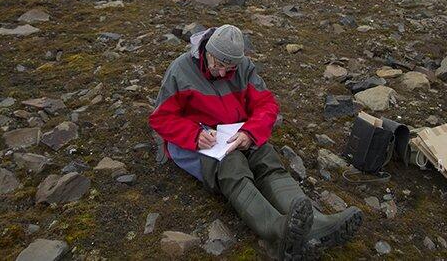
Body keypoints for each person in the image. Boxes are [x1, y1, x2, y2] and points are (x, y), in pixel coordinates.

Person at [149, 25, 362, 259]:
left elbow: (267, 105)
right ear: (206, 51)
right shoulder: (180, 69)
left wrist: (250, 133)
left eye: (229, 68)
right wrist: (193, 134)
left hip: (235, 133)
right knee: (232, 167)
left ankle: (316, 224)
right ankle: (277, 230)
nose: (222, 73)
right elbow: (161, 118)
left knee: (266, 158)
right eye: (217, 65)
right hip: (196, 143)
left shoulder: (244, 68)